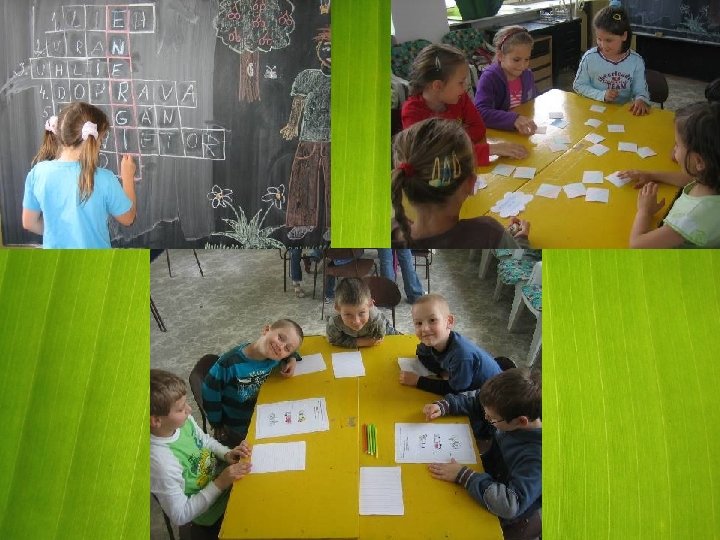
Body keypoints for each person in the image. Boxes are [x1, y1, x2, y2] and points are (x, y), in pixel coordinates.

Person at [424, 368, 542, 540]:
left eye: (492, 418)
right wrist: (445, 406)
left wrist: (464, 476)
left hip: (503, 511)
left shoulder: (536, 458)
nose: (486, 417)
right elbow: (477, 404)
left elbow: (510, 505)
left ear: (521, 421)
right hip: (487, 478)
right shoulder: (508, 413)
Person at [391, 117, 531, 248]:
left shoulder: (389, 230)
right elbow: (518, 259)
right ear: (471, 183)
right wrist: (521, 240)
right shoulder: (488, 234)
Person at [151, 369, 252, 539]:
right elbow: (180, 515)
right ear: (156, 420)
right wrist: (221, 482)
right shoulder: (161, 462)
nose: (189, 410)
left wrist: (227, 454)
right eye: (180, 409)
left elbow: (205, 441)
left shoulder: (182, 422)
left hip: (226, 480)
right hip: (213, 513)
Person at [22, 101, 137, 248]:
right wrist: (128, 178)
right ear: (93, 140)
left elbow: (29, 223)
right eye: (102, 139)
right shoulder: (104, 179)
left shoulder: (37, 173)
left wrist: (62, 233)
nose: (101, 145)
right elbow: (128, 218)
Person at [401, 43, 528, 165]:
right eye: (461, 82)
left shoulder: (459, 97)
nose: (466, 87)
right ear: (438, 85)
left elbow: (478, 129)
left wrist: (449, 147)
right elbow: (434, 160)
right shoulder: (412, 112)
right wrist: (490, 149)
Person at [629, 101, 720, 247]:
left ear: (699, 161)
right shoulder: (711, 178)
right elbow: (689, 179)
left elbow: (637, 245)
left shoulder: (690, 218)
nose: (673, 150)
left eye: (677, 145)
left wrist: (645, 211)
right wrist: (651, 175)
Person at [202, 319, 304, 447]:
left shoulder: (275, 356)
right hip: (239, 426)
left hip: (263, 414)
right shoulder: (229, 363)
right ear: (266, 330)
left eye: (287, 348)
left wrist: (292, 358)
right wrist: (217, 424)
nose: (280, 347)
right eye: (280, 338)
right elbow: (209, 391)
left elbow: (292, 351)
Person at [399, 293, 501, 394]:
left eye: (432, 320)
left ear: (449, 322)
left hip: (493, 393)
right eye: (419, 323)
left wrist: (418, 381)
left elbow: (456, 390)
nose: (424, 329)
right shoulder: (431, 341)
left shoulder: (461, 355)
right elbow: (422, 354)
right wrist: (441, 372)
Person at [573, 2, 650, 116]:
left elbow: (640, 90)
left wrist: (641, 99)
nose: (603, 45)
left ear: (624, 36)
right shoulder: (589, 58)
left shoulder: (636, 61)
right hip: (595, 111)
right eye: (599, 39)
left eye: (609, 40)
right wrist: (602, 95)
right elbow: (579, 86)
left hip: (623, 113)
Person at [474, 26, 539, 134]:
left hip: (521, 131)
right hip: (498, 134)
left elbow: (532, 100)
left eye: (527, 59)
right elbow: (480, 112)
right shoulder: (489, 78)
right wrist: (513, 119)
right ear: (500, 56)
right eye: (516, 60)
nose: (523, 65)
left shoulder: (527, 74)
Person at [326, 277, 399, 348]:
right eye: (348, 314)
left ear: (370, 304)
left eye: (361, 313)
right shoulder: (334, 321)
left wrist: (370, 341)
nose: (356, 321)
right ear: (337, 308)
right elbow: (333, 340)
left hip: (386, 333)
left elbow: (379, 338)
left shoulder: (376, 319)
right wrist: (362, 342)